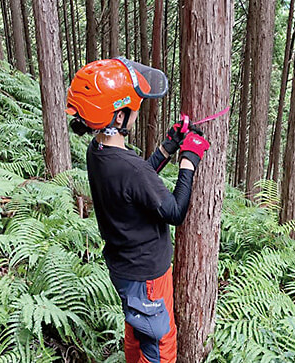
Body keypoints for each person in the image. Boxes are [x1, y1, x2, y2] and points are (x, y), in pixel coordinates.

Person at [65, 57, 209, 363]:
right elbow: (174, 212)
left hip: (125, 269)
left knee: (137, 331)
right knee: (159, 346)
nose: (138, 109)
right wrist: (189, 161)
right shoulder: (129, 169)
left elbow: (136, 183)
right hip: (147, 276)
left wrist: (168, 148)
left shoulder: (98, 152)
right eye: (134, 104)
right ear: (118, 117)